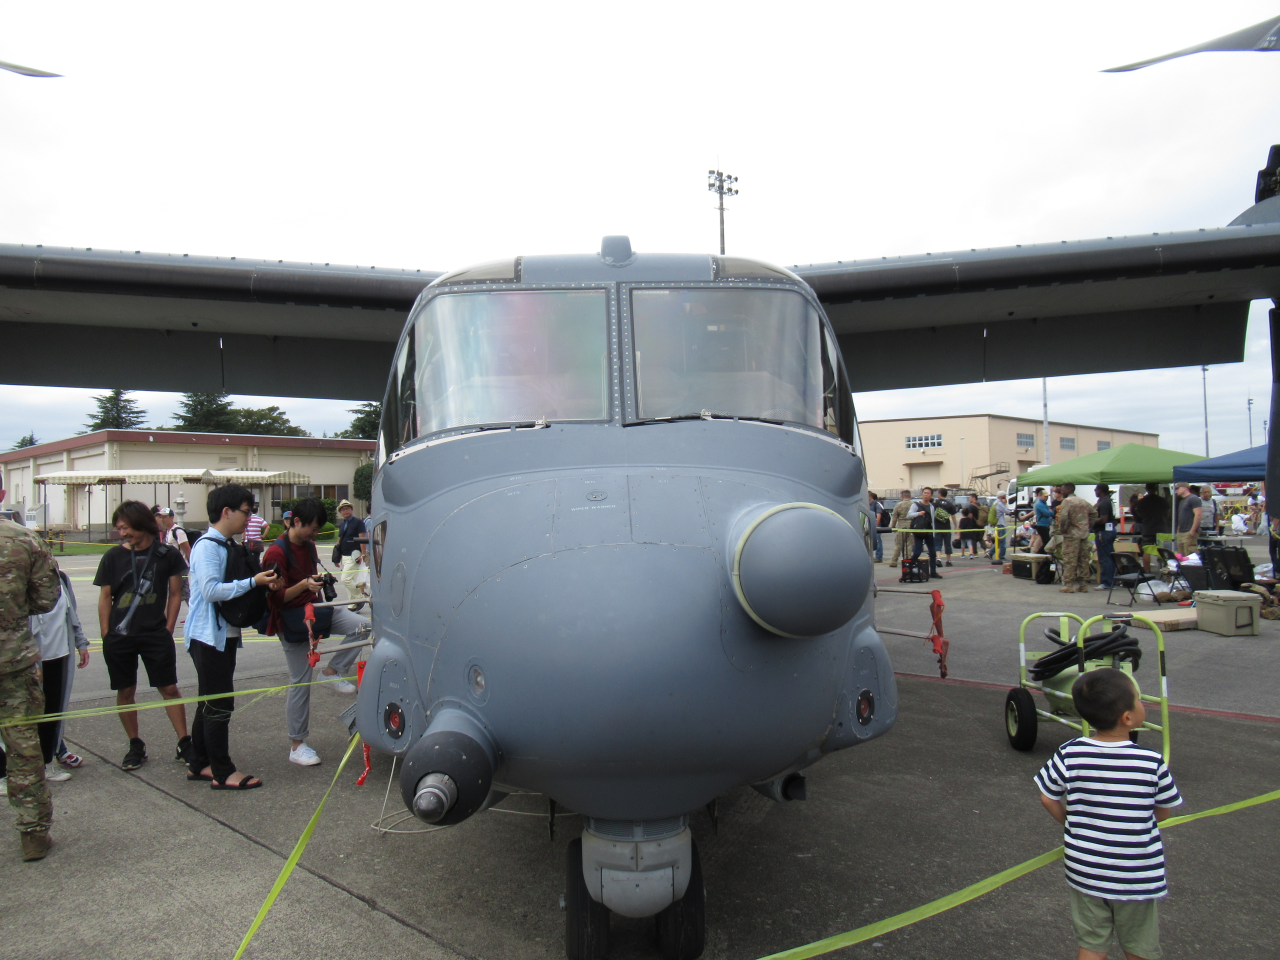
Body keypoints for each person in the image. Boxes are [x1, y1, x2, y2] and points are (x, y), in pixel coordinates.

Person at [1035, 668, 1181, 960]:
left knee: (1092, 943)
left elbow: (1047, 796)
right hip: (1136, 875)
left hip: (1086, 870)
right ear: (1127, 717)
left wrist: (1072, 823)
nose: (1143, 704)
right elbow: (1162, 812)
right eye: (1139, 699)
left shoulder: (1070, 752)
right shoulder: (1151, 762)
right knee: (1140, 945)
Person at [185, 483, 280, 790]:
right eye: (246, 511)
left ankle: (199, 763)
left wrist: (261, 582)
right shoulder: (208, 546)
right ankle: (223, 772)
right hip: (207, 636)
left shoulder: (228, 544)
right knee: (220, 702)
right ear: (226, 512)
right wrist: (252, 581)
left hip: (221, 634)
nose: (249, 517)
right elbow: (210, 591)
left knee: (209, 701)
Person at [262, 497, 366, 766]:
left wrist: (318, 582)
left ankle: (332, 671)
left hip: (316, 611)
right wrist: (304, 586)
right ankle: (297, 745)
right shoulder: (275, 553)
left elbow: (310, 582)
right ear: (296, 522)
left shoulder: (308, 546)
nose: (316, 534)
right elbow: (275, 600)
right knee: (300, 680)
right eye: (313, 528)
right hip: (293, 622)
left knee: (364, 625)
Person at [93, 500, 193, 771]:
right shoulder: (113, 557)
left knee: (169, 688)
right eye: (119, 529)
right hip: (119, 636)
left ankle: (184, 742)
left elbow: (174, 594)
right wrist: (106, 632)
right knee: (125, 690)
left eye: (126, 528)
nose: (122, 533)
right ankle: (135, 744)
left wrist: (168, 628)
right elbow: (105, 596)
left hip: (155, 634)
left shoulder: (166, 555)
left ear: (141, 524)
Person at [0, 512, 60, 860]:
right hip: (12, 660)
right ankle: (33, 834)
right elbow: (46, 599)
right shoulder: (24, 539)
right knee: (22, 750)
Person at [28, 567, 90, 784]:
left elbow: (71, 611)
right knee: (24, 713)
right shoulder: (18, 579)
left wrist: (81, 642)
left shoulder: (60, 578)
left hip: (58, 655)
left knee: (51, 711)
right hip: (28, 660)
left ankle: (47, 762)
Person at [1056, 483, 1098, 594]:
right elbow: (1094, 513)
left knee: (1070, 559)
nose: (1061, 491)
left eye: (1063, 489)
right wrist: (1088, 525)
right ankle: (1083, 585)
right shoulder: (1082, 501)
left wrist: (1062, 529)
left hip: (1071, 535)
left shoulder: (1067, 501)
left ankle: (1069, 585)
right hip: (1083, 534)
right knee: (1083, 559)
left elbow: (1063, 517)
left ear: (1069, 489)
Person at [335, 499, 369, 601]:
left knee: (345, 579)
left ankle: (360, 597)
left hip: (354, 555)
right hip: (344, 556)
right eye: (343, 509)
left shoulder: (358, 522)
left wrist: (363, 555)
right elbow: (339, 540)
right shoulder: (342, 524)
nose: (345, 511)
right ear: (340, 512)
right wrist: (337, 557)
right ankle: (353, 604)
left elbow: (362, 539)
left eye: (348, 508)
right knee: (352, 579)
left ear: (352, 510)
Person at [906, 487, 944, 579]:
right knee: (917, 551)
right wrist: (918, 514)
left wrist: (934, 532)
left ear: (931, 495)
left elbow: (932, 521)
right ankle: (909, 567)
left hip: (929, 531)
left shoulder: (931, 506)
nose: (926, 495)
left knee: (932, 552)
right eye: (924, 493)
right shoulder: (916, 505)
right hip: (918, 531)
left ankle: (933, 572)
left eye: (928, 493)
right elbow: (909, 515)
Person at [1131, 484, 1169, 573]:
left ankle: (1147, 573)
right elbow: (1167, 514)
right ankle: (1166, 571)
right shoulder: (1163, 500)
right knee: (1163, 551)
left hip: (1147, 528)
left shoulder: (1142, 502)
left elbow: (1139, 514)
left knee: (1147, 550)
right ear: (1156, 488)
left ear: (1146, 489)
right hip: (1161, 528)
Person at [1092, 485, 1117, 592]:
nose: (1094, 491)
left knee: (1105, 557)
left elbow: (1103, 519)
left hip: (1103, 532)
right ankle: (1112, 581)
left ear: (1100, 490)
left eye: (1096, 490)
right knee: (1110, 556)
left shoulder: (1105, 503)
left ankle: (1106, 582)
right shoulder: (1106, 501)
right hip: (1108, 531)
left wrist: (1092, 520)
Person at [1173, 482, 1202, 557]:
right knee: (1181, 555)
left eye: (1177, 488)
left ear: (1184, 488)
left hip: (1189, 532)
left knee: (1190, 554)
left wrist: (1192, 531)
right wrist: (1178, 530)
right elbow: (1181, 516)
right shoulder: (1182, 501)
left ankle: (1192, 568)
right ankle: (1183, 568)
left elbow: (1198, 514)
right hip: (1181, 532)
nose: (1176, 491)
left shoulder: (1193, 498)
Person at [887, 490, 913, 566]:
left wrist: (893, 527)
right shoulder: (913, 505)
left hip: (901, 526)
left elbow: (894, 517)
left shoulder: (898, 505)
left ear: (902, 496)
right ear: (910, 496)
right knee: (909, 545)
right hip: (911, 526)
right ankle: (907, 560)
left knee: (898, 545)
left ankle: (894, 561)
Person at [933, 488, 955, 568]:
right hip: (947, 527)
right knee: (947, 544)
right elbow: (953, 516)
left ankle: (939, 558)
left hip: (937, 527)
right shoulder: (950, 504)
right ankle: (948, 560)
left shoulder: (936, 503)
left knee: (938, 543)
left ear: (939, 494)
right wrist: (956, 526)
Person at [991, 492, 1012, 564]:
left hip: (996, 523)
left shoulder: (995, 502)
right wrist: (1006, 504)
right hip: (1000, 523)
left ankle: (990, 552)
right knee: (1002, 541)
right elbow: (1007, 511)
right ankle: (1001, 556)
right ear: (1002, 496)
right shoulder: (1000, 503)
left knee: (998, 540)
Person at [868, 492, 884, 563]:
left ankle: (879, 557)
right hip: (869, 524)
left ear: (870, 497)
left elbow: (878, 515)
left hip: (875, 525)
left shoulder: (876, 504)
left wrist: (876, 525)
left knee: (877, 540)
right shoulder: (867, 504)